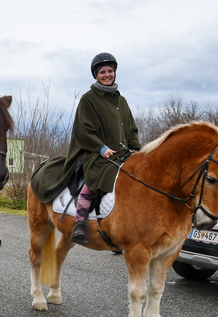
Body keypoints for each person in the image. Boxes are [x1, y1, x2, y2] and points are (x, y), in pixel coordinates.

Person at [31, 53, 140, 245]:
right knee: (95, 179)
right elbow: (83, 129)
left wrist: (135, 149)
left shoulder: (121, 101)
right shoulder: (88, 99)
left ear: (115, 73)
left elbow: (131, 128)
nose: (107, 75)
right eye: (103, 72)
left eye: (110, 71)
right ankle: (80, 223)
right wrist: (101, 148)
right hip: (95, 154)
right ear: (96, 75)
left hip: (122, 155)